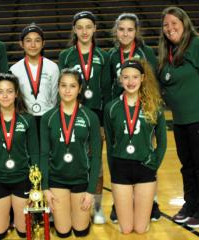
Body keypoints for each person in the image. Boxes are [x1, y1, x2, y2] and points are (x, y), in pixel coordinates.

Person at [158, 6, 199, 228]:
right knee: (187, 166)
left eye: (174, 23)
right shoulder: (168, 51)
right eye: (166, 25)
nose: (170, 28)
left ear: (185, 23)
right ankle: (190, 204)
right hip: (180, 120)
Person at [108, 12, 161, 223]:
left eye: (130, 29)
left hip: (144, 109)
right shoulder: (111, 55)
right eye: (121, 29)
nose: (125, 33)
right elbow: (108, 86)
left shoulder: (147, 52)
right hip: (120, 111)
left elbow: (153, 83)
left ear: (136, 31)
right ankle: (118, 203)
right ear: (116, 31)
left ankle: (151, 202)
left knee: (147, 151)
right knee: (118, 153)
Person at [58, 10, 110, 224]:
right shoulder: (66, 56)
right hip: (71, 116)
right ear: (74, 30)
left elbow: (107, 91)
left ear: (95, 29)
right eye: (80, 27)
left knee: (96, 165)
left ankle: (97, 208)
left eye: (89, 27)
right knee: (73, 160)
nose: (84, 31)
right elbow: (62, 89)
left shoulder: (104, 56)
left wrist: (105, 124)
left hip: (96, 117)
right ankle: (72, 205)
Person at [104, 59, 166, 234]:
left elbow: (162, 141)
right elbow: (109, 142)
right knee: (125, 229)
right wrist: (113, 169)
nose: (130, 82)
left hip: (145, 167)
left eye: (135, 77)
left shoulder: (154, 107)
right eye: (126, 77)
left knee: (140, 229)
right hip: (120, 170)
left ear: (143, 78)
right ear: (120, 79)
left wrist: (155, 163)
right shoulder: (111, 108)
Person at [40, 68, 102, 238]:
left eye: (72, 86)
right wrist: (45, 188)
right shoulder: (48, 118)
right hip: (57, 180)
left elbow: (96, 157)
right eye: (63, 85)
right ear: (58, 87)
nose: (67, 90)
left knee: (80, 232)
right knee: (63, 232)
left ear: (79, 88)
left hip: (82, 180)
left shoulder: (90, 117)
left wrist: (91, 192)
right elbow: (44, 155)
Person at [0, 73, 39, 240]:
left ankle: (20, 220)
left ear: (16, 94)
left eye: (9, 91)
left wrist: (36, 186)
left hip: (22, 179)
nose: (5, 96)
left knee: (24, 232)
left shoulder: (27, 120)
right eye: (0, 91)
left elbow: (34, 153)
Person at [10, 23, 59, 134]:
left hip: (47, 118)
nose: (33, 45)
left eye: (37, 40)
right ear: (21, 44)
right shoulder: (14, 69)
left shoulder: (53, 67)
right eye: (28, 40)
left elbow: (54, 97)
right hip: (25, 118)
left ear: (43, 43)